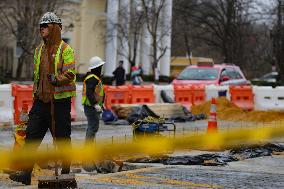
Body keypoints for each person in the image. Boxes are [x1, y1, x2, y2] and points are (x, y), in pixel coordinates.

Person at [9, 12, 76, 185]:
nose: (41, 29)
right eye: (40, 26)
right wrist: (37, 96)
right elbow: (37, 77)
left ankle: (66, 172)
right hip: (41, 102)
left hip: (59, 103)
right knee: (31, 137)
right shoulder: (39, 50)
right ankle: (25, 174)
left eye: (45, 26)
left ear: (54, 28)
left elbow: (70, 73)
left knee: (61, 138)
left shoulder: (65, 50)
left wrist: (57, 79)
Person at [82, 56, 105, 143]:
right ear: (97, 68)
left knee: (93, 127)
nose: (101, 68)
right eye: (100, 67)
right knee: (93, 127)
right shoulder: (92, 78)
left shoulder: (94, 78)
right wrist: (95, 104)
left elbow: (97, 92)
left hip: (92, 106)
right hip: (90, 106)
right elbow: (89, 93)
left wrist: (101, 104)